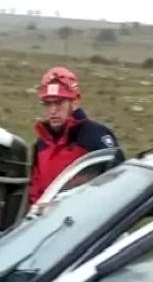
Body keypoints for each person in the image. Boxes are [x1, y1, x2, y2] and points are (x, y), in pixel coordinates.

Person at [27, 66, 122, 206]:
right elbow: (34, 190)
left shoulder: (96, 137)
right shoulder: (41, 143)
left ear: (75, 102)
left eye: (59, 103)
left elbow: (118, 186)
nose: (53, 110)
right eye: (48, 103)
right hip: (43, 223)